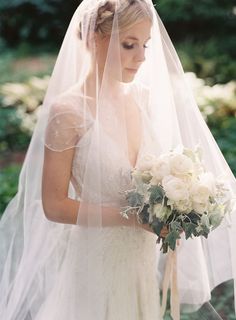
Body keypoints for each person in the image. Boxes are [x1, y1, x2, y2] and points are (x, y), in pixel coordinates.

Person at [0, 0, 236, 319]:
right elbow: (54, 205)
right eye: (129, 45)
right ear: (94, 38)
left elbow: (155, 174)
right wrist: (133, 218)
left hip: (140, 263)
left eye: (145, 45)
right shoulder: (68, 113)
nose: (141, 57)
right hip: (95, 267)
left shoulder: (141, 97)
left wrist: (174, 206)